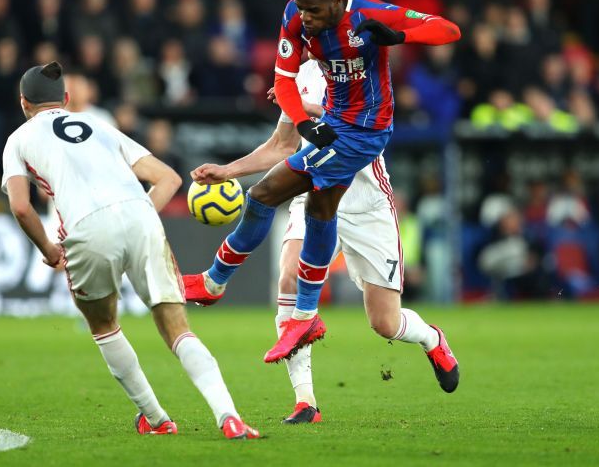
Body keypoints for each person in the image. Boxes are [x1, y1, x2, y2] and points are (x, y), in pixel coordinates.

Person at [183, 0, 461, 366]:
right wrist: (302, 124)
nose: (306, 20)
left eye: (314, 11)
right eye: (301, 10)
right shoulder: (295, 19)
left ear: (335, 2)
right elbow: (282, 85)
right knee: (313, 209)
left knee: (264, 195)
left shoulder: (367, 14)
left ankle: (217, 282)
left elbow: (448, 30)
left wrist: (401, 35)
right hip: (333, 131)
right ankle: (302, 363)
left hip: (365, 135)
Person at [191, 58, 459, 424]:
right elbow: (283, 145)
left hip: (366, 204)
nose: (308, 28)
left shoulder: (363, 68)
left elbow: (354, 123)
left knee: (384, 322)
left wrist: (306, 106)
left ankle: (431, 338)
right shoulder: (299, 73)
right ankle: (305, 401)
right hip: (313, 189)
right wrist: (228, 170)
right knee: (288, 275)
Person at [1, 62, 259, 439]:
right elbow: (169, 178)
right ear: (67, 99)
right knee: (176, 327)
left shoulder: (19, 139)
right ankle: (229, 415)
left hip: (86, 229)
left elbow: (21, 206)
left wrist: (49, 249)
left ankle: (157, 419)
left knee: (104, 325)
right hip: (141, 216)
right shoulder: (100, 125)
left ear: (23, 103)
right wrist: (136, 214)